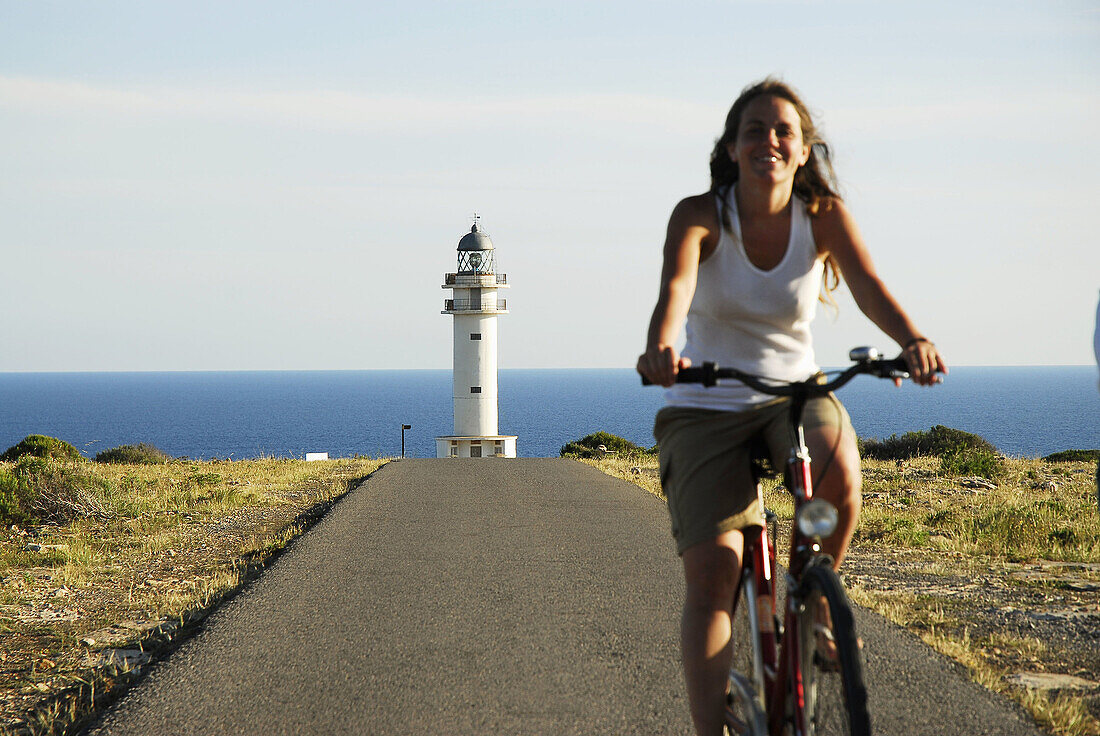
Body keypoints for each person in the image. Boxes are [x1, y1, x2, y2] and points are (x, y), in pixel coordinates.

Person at [635, 78, 947, 736]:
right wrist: (661, 347)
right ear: (730, 146)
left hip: (795, 392)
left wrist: (912, 340)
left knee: (841, 482)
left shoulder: (823, 214)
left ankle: (815, 605)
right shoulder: (700, 214)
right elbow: (675, 290)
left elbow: (868, 285)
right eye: (754, 130)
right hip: (705, 400)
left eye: (783, 132)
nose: (768, 142)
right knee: (716, 571)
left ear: (805, 150)